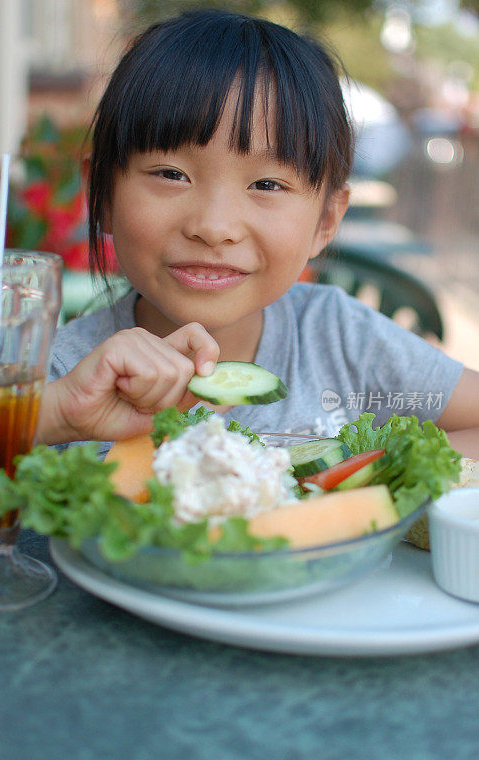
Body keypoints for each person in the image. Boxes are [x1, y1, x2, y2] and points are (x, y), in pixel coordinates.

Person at [36, 8, 479, 458]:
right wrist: (52, 416)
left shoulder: (343, 341)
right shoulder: (54, 379)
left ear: (326, 221)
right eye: (171, 174)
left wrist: (355, 479)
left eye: (267, 185)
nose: (214, 228)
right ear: (102, 194)